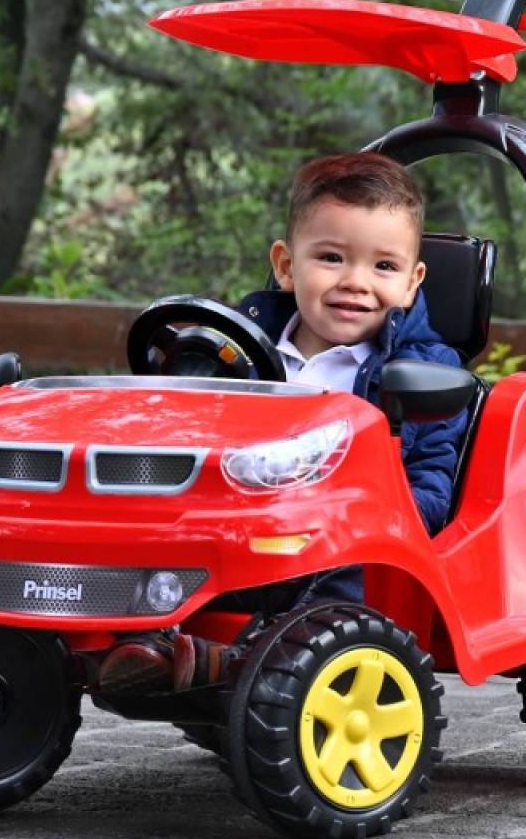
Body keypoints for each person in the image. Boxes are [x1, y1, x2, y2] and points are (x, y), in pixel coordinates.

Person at [97, 152, 468, 696]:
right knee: (150, 521)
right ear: (287, 265)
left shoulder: (423, 372)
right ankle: (133, 635)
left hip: (346, 541)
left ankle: (240, 664)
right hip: (239, 524)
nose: (355, 282)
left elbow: (434, 479)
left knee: (336, 562)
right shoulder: (242, 356)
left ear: (413, 282)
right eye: (332, 258)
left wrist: (371, 512)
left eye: (383, 267)